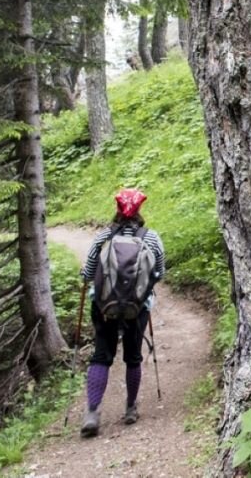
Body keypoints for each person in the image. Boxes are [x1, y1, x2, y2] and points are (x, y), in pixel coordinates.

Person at [80, 188, 165, 438]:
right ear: (139, 211)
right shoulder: (151, 238)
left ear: (117, 210)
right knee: (133, 357)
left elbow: (88, 274)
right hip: (136, 308)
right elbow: (159, 273)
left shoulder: (103, 237)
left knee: (101, 356)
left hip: (104, 307)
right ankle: (130, 408)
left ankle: (93, 413)